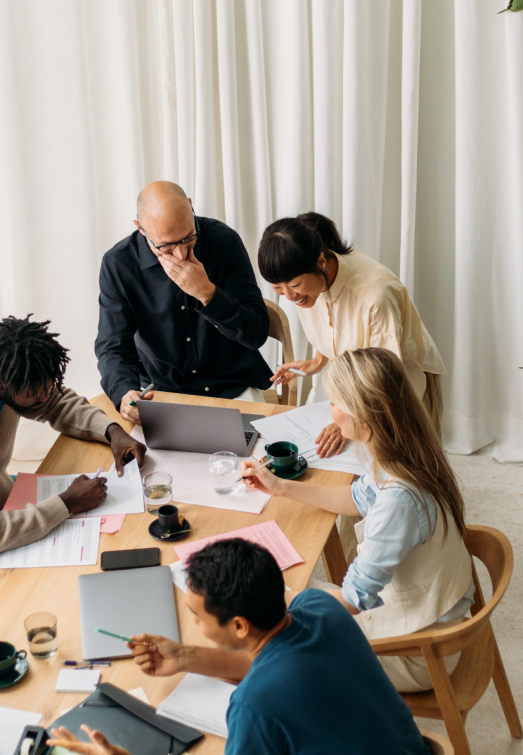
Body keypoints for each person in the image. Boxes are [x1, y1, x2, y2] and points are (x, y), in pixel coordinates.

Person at [48, 538, 432, 755]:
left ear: (238, 625)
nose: (193, 625)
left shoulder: (254, 706)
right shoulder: (320, 606)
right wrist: (185, 657)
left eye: (196, 616)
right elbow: (277, 663)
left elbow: (270, 681)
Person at [243, 347, 474, 693]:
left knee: (270, 641)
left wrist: (278, 603)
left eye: (333, 403)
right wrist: (281, 488)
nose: (329, 412)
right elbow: (355, 498)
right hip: (428, 613)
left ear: (363, 419)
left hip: (420, 651)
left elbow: (353, 600)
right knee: (287, 589)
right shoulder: (406, 454)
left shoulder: (399, 500)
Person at [258, 211, 445, 456]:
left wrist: (344, 420)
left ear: (320, 262)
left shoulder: (374, 297)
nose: (289, 296)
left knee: (411, 471)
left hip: (402, 385)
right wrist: (316, 362)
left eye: (294, 285)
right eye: (277, 288)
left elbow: (386, 375)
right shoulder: (309, 286)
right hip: (360, 388)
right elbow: (330, 323)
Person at [95, 181, 273, 424]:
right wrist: (123, 394)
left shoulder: (224, 241)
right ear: (140, 229)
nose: (180, 254)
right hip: (163, 393)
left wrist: (208, 294)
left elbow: (256, 333)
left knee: (253, 458)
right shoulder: (119, 264)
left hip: (235, 387)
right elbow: (113, 345)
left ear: (191, 207)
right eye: (166, 246)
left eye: (189, 238)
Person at [0, 315, 144, 553]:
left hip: (8, 492)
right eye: (35, 392)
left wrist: (113, 431)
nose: (44, 397)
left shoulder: (14, 375)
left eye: (47, 386)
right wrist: (66, 503)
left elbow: (58, 402)